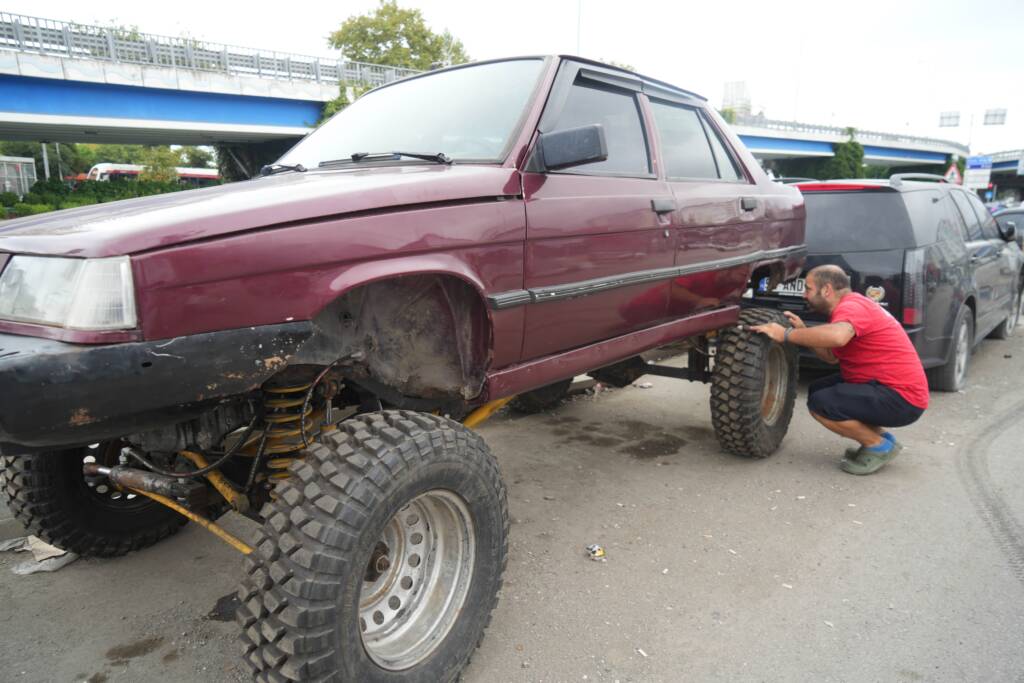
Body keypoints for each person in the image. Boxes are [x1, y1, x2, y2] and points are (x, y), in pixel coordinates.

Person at [750, 265, 928, 475]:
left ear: (826, 290)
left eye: (808, 289)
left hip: (903, 398)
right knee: (818, 389)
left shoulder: (851, 307)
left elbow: (837, 337)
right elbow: (831, 356)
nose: (805, 295)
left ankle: (877, 445)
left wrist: (786, 334)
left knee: (822, 404)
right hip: (888, 388)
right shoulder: (851, 306)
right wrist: (803, 331)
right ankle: (882, 439)